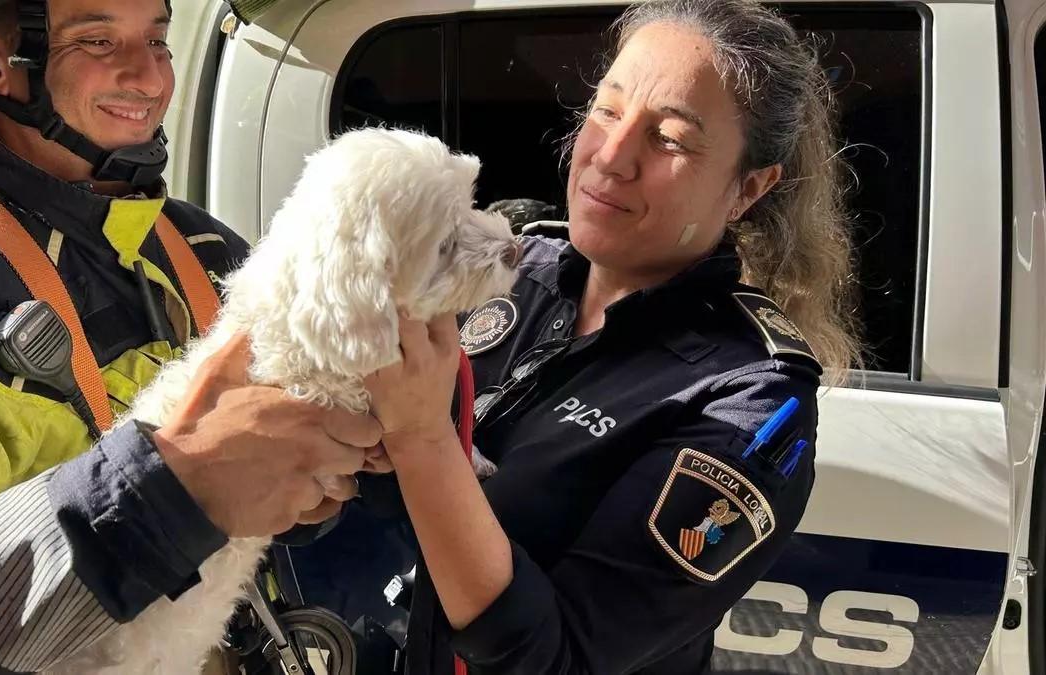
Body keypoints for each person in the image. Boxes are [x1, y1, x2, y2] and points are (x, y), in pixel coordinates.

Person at [0, 1, 381, 672]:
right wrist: (165, 496)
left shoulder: (197, 247)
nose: (149, 76)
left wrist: (307, 470)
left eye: (158, 40)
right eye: (98, 40)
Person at [363, 0, 862, 672]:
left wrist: (420, 436)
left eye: (671, 139)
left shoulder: (745, 403)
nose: (613, 156)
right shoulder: (519, 268)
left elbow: (555, 657)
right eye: (607, 109)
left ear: (748, 188)